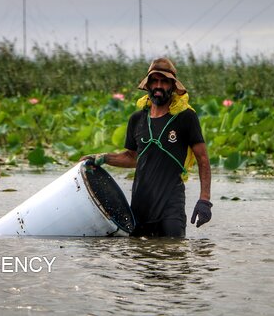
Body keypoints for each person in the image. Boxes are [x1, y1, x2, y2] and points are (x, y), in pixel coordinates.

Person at [82, 57, 212, 237]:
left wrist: (204, 200)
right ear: (148, 85)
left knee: (173, 254)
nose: (159, 86)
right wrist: (103, 158)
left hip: (171, 207)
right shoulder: (137, 119)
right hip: (140, 207)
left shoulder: (186, 117)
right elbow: (132, 157)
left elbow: (203, 159)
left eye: (164, 81)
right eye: (154, 81)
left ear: (172, 86)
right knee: (139, 258)